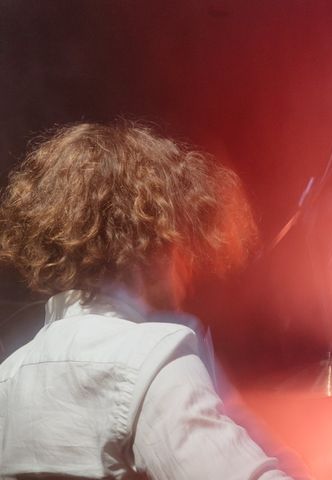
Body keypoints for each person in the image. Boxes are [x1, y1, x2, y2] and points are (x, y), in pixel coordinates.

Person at [0, 122, 298, 479]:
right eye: (181, 245)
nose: (187, 272)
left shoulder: (10, 375)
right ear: (155, 244)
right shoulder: (151, 359)